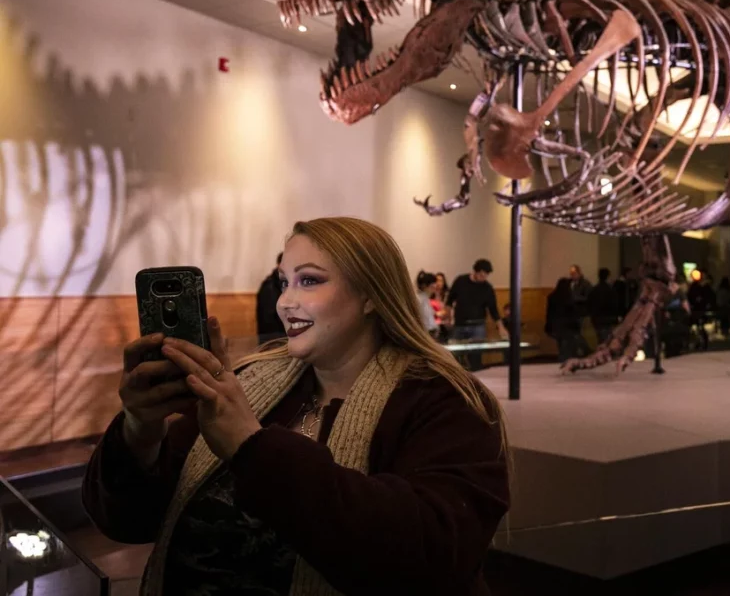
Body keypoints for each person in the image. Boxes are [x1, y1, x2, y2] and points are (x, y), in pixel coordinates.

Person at [82, 217, 509, 595]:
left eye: (309, 280)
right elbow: (129, 523)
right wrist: (140, 431)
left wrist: (251, 447)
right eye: (283, 281)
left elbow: (429, 558)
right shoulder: (250, 383)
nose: (284, 302)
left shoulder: (447, 403)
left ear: (370, 296)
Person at [446, 259, 507, 342]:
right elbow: (449, 301)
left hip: (478, 325)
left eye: (486, 275)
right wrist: (448, 318)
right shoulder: (460, 281)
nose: (483, 278)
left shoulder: (487, 288)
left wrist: (501, 328)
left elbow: (493, 309)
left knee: (476, 353)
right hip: (459, 324)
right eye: (481, 275)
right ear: (475, 271)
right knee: (455, 353)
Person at [545, 278, 586, 363]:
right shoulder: (568, 298)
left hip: (556, 326)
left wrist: (548, 326)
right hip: (568, 327)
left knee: (561, 347)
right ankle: (566, 363)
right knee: (568, 349)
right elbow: (573, 313)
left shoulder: (552, 297)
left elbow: (549, 313)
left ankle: (562, 362)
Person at [255, 252, 286, 341]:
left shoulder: (281, 283)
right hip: (273, 340)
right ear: (279, 265)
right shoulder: (270, 286)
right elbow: (269, 320)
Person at [587, 268, 618, 344]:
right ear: (607, 277)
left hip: (596, 319)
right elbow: (613, 305)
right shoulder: (610, 291)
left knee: (600, 340)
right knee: (607, 342)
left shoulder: (594, 290)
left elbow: (589, 304)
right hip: (607, 320)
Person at [687, 270, 714, 351]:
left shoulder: (707, 287)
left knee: (701, 327)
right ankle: (697, 342)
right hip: (695, 309)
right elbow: (690, 296)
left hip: (703, 309)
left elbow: (710, 297)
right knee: (696, 327)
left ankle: (702, 342)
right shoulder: (694, 286)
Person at [416, 270, 440, 338]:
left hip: (429, 331)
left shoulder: (425, 299)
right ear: (424, 286)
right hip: (426, 332)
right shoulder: (419, 299)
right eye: (432, 285)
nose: (435, 287)